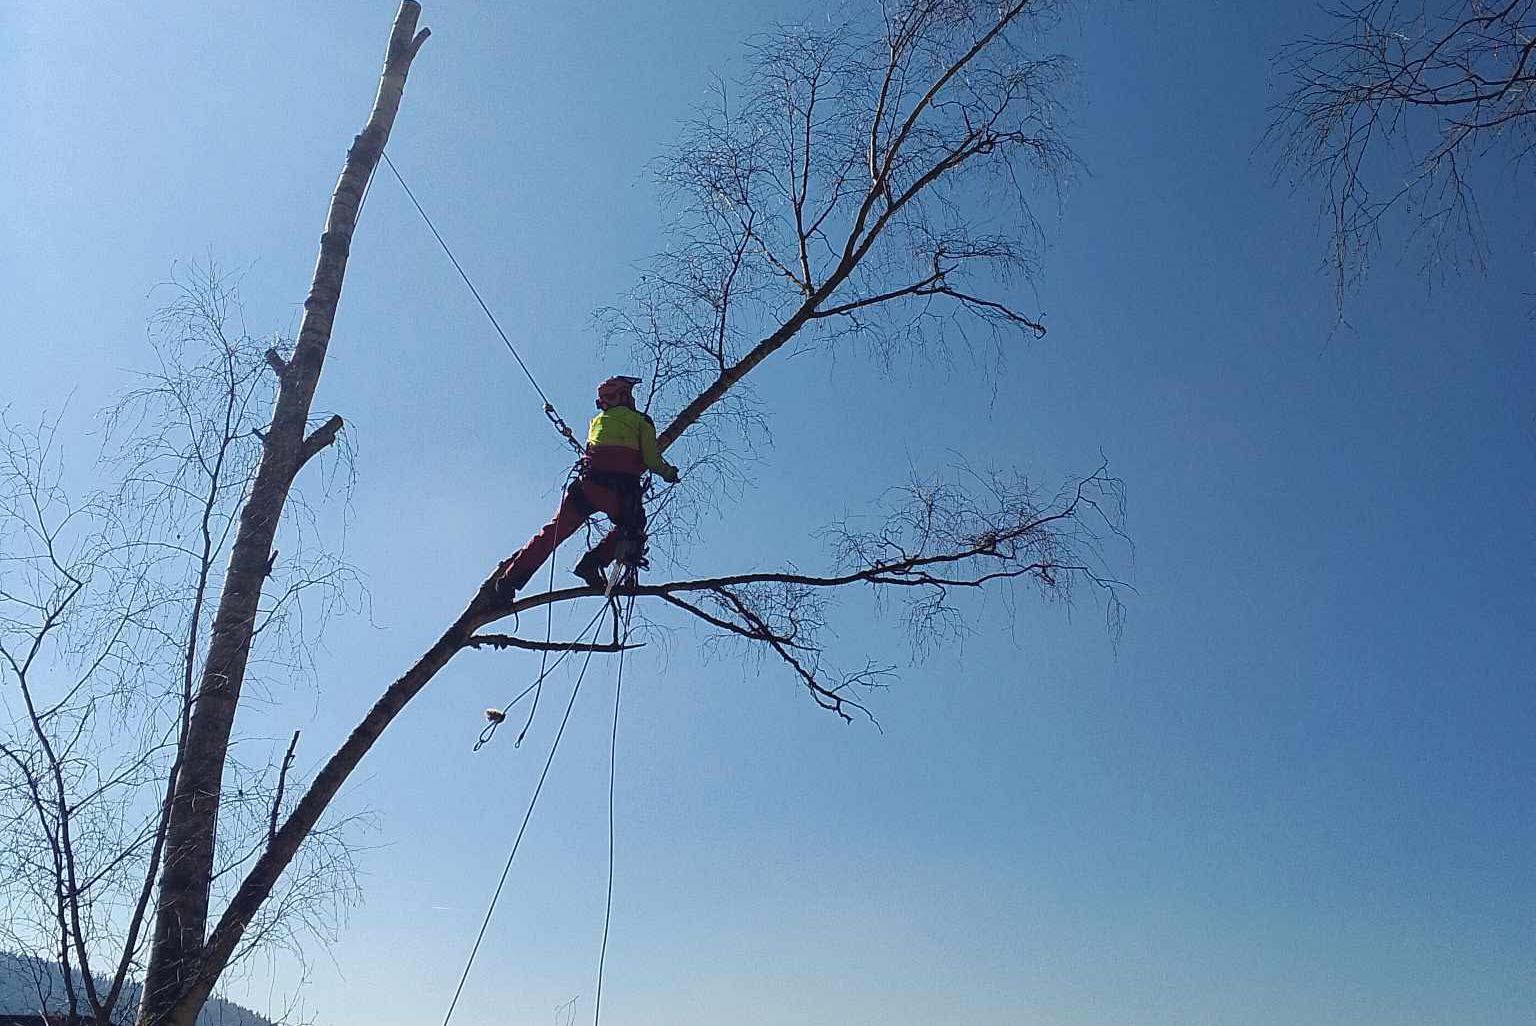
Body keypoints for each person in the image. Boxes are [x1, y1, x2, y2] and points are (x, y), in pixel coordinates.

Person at [493, 375, 679, 600]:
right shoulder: (641, 421)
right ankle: (592, 563)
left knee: (553, 532)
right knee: (634, 524)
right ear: (621, 396)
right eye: (628, 394)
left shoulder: (597, 421)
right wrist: (669, 473)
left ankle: (508, 582)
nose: (631, 399)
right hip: (617, 491)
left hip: (586, 486)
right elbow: (650, 459)